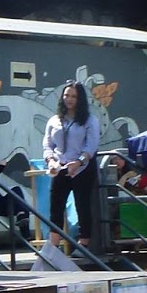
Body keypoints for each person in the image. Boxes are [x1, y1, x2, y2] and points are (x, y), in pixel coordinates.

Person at [41, 81, 101, 248]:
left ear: (80, 99)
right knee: (56, 206)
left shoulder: (90, 120)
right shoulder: (54, 120)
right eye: (66, 95)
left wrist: (79, 161)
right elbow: (47, 144)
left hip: (82, 168)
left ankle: (84, 243)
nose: (69, 99)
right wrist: (50, 160)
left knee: (82, 205)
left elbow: (91, 146)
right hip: (60, 167)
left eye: (74, 96)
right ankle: (53, 245)